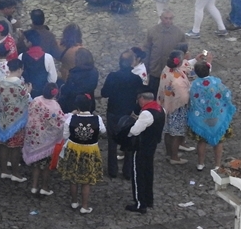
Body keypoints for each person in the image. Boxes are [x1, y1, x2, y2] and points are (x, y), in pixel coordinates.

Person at [58, 93, 105, 214]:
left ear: (77, 107)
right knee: (86, 180)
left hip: (74, 149)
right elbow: (103, 131)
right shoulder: (97, 119)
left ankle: (74, 202)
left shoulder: (71, 119)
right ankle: (85, 206)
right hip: (90, 151)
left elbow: (65, 135)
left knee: (73, 178)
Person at [101, 50, 143, 180]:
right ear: (132, 63)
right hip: (128, 113)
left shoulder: (112, 76)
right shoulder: (136, 79)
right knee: (129, 141)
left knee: (112, 142)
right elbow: (139, 98)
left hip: (113, 111)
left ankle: (112, 170)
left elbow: (104, 93)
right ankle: (127, 171)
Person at [188, 61, 235, 171]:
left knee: (201, 141)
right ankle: (217, 164)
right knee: (219, 140)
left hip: (201, 118)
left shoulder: (194, 85)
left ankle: (200, 163)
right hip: (217, 116)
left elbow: (192, 100)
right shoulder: (216, 82)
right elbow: (227, 94)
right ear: (209, 70)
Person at [21, 82, 64, 195]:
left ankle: (34, 186)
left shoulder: (36, 100)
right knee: (46, 167)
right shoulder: (55, 106)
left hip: (35, 138)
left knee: (36, 164)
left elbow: (30, 116)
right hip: (47, 141)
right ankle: (44, 187)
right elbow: (59, 123)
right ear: (55, 93)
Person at [0, 58, 30, 182]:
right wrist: (28, 92)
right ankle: (15, 173)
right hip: (16, 123)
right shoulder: (20, 86)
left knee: (3, 145)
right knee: (15, 148)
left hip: (2, 120)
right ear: (19, 69)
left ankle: (4, 171)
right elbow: (26, 102)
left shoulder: (0, 83)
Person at [126, 91, 165, 214]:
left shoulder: (146, 113)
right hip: (152, 145)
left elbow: (135, 131)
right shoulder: (161, 109)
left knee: (138, 174)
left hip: (141, 146)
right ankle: (149, 199)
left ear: (142, 99)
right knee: (148, 172)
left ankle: (139, 203)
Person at [157, 51, 191, 165]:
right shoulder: (178, 81)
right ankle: (174, 156)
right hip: (177, 108)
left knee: (167, 131)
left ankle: (169, 152)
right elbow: (184, 97)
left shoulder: (167, 69)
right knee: (176, 133)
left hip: (165, 104)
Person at [143, 10, 186, 91]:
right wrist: (146, 66)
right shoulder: (152, 31)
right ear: (161, 18)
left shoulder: (179, 33)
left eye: (170, 18)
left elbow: (182, 51)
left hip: (170, 70)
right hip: (155, 69)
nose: (168, 21)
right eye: (166, 18)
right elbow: (147, 49)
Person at [18, 29, 58, 98]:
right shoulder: (48, 57)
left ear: (29, 42)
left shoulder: (21, 56)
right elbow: (53, 79)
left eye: (25, 39)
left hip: (26, 93)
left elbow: (19, 76)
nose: (24, 41)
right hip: (43, 94)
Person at [58, 48, 97, 113]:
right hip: (89, 101)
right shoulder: (94, 71)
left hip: (75, 104)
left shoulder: (74, 74)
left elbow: (68, 90)